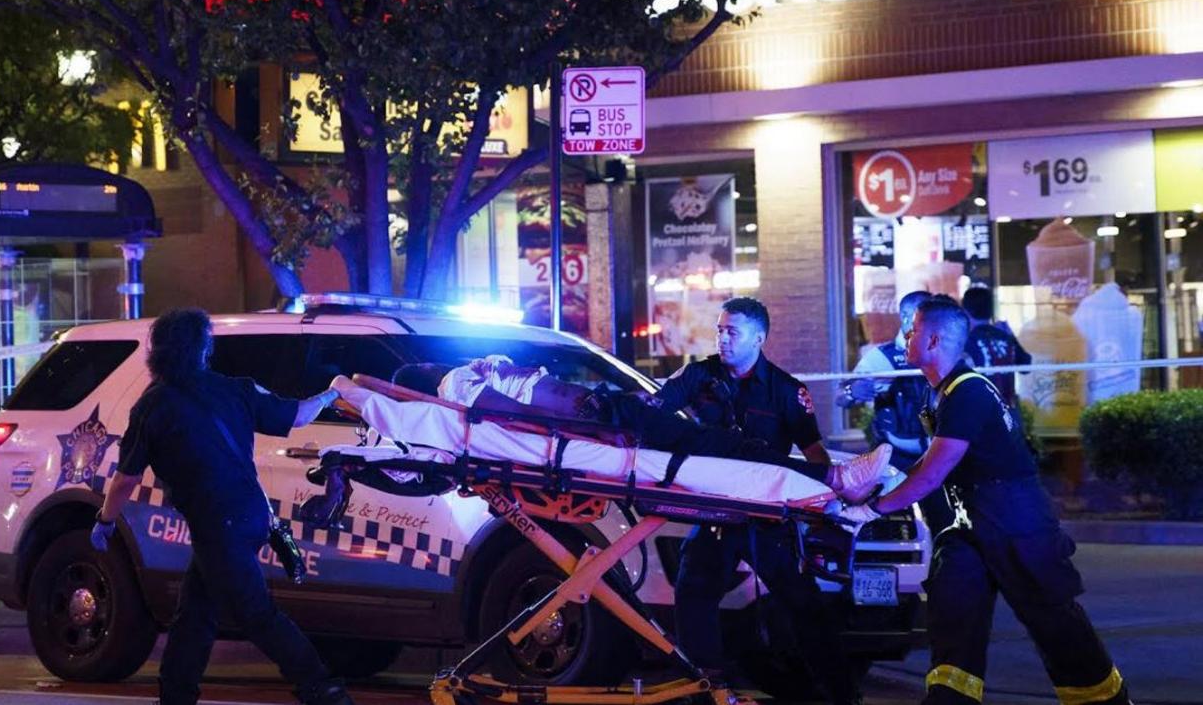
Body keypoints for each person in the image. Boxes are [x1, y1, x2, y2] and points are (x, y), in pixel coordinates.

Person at [840, 299, 1130, 705]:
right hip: (972, 523)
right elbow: (930, 462)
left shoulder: (968, 393)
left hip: (1018, 525)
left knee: (1053, 622)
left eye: (914, 329)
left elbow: (934, 472)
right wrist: (882, 486)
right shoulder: (939, 391)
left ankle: (1105, 700)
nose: (906, 336)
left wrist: (871, 509)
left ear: (935, 339)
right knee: (953, 608)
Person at [91, 309, 352, 705]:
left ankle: (323, 689)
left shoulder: (153, 406)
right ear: (203, 349)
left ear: (155, 351)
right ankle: (176, 694)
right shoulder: (234, 389)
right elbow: (298, 415)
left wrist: (106, 521)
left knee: (255, 613)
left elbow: (126, 478)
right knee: (195, 614)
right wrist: (333, 393)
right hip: (250, 516)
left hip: (219, 524)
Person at [653, 297, 859, 705]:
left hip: (767, 514)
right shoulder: (698, 376)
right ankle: (705, 684)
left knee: (801, 602)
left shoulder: (785, 391)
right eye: (719, 330)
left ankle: (839, 691)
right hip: (717, 510)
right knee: (694, 590)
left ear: (759, 338)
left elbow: (813, 451)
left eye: (733, 332)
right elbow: (656, 408)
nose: (722, 339)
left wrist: (823, 505)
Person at [403, 356, 887, 500]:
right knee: (719, 446)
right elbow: (512, 414)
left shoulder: (468, 377)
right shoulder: (451, 382)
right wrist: (595, 426)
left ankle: (836, 480)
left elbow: (511, 393)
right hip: (598, 420)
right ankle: (837, 480)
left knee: (721, 446)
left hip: (604, 414)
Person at [838, 290, 955, 532]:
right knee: (890, 526)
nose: (909, 322)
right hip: (896, 457)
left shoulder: (947, 352)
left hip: (939, 455)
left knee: (945, 524)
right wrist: (853, 391)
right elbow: (841, 397)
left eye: (916, 316)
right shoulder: (882, 357)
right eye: (905, 315)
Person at [961, 286, 1031, 406]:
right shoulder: (1005, 336)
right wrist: (1012, 337)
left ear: (965, 311)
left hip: (982, 409)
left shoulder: (966, 340)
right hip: (1008, 409)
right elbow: (1026, 367)